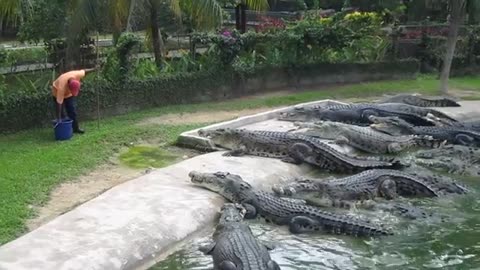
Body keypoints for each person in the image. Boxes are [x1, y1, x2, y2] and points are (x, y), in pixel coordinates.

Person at [52, 67, 96, 134]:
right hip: (56, 92)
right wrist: (59, 118)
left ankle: (76, 128)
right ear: (69, 86)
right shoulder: (61, 86)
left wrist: (94, 69)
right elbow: (59, 102)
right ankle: (63, 129)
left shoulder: (77, 74)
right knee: (61, 114)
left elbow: (85, 71)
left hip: (68, 94)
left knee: (72, 110)